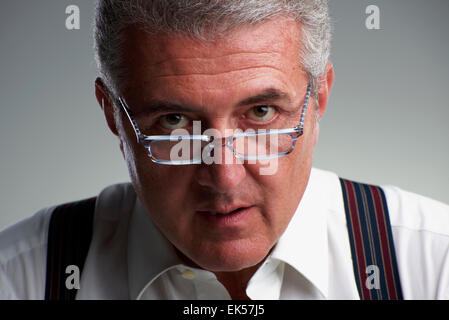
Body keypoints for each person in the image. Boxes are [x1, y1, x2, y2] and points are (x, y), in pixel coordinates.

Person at [1, 0, 448, 300]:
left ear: (319, 98)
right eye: (174, 122)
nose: (224, 176)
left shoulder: (433, 267)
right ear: (112, 114)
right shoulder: (19, 279)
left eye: (261, 112)